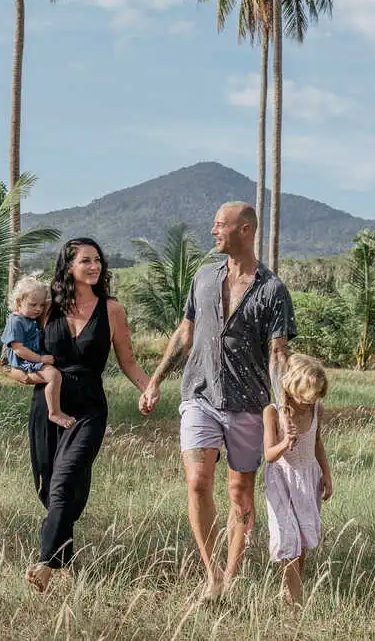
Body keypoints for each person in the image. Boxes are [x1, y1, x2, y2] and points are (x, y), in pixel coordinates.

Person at [139, 202, 296, 600]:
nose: (213, 232)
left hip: (249, 404)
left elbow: (278, 355)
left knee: (240, 492)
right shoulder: (204, 277)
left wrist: (284, 410)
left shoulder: (272, 289)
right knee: (197, 481)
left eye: (220, 225)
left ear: (245, 230)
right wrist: (155, 380)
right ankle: (212, 575)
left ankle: (231, 573)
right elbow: (185, 332)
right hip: (200, 394)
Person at [25, 237, 153, 592]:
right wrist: (34, 375)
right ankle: (65, 560)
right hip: (48, 407)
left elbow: (127, 361)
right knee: (50, 487)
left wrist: (148, 387)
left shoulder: (111, 309)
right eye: (86, 261)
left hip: (89, 409)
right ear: (69, 266)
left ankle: (46, 562)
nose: (95, 266)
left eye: (98, 259)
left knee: (66, 478)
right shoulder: (46, 307)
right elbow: (17, 356)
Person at [263, 354, 332, 606]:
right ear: (290, 388)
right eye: (305, 399)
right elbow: (269, 455)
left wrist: (326, 473)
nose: (309, 404)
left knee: (301, 542)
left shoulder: (316, 409)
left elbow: (316, 442)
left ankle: (291, 590)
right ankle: (296, 602)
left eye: (314, 399)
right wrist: (285, 442)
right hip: (281, 481)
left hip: (307, 479)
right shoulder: (272, 413)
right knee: (288, 540)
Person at [3, 276, 75, 430]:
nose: (38, 309)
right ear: (18, 302)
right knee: (53, 376)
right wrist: (40, 358)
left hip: (32, 361)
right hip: (25, 362)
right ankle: (55, 412)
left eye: (41, 305)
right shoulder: (15, 321)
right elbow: (18, 349)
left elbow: (48, 303)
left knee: (54, 375)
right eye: (33, 304)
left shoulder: (29, 317)